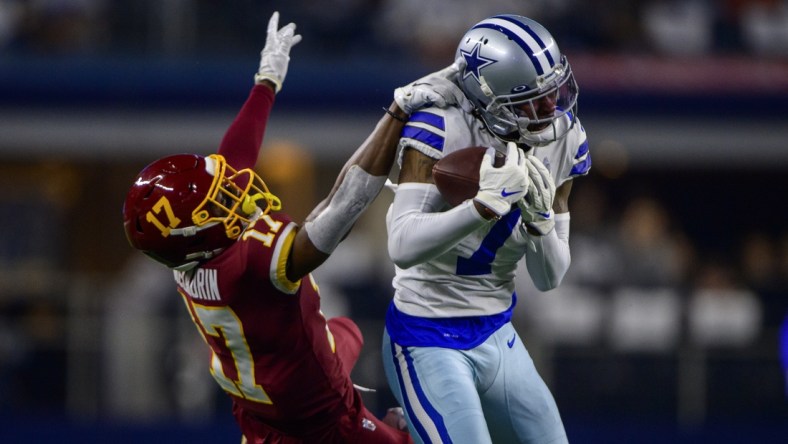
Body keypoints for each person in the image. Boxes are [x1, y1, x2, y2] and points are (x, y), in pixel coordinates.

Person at [122, 11, 461, 444]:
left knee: (347, 330)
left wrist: (266, 81)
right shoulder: (249, 264)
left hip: (260, 407)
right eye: (220, 202)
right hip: (318, 420)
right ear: (195, 234)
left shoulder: (191, 257)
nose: (236, 193)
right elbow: (342, 207)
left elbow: (234, 159)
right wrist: (396, 116)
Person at [382, 14, 591, 444]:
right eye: (533, 99)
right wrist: (482, 207)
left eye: (553, 91)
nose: (552, 109)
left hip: (497, 329)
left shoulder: (564, 136)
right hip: (426, 332)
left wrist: (540, 221)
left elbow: (550, 278)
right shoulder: (441, 127)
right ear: (488, 98)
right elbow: (401, 245)